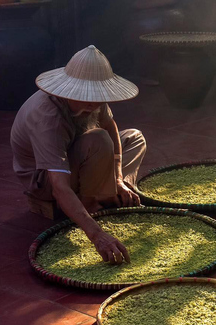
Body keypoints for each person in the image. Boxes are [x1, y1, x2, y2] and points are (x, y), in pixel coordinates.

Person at [11, 45, 146, 264]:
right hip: (43, 180)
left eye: (97, 96)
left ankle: (113, 190)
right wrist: (97, 235)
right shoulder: (48, 118)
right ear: (69, 91)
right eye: (87, 96)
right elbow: (59, 186)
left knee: (134, 138)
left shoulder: (95, 102)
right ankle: (91, 204)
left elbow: (110, 126)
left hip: (81, 155)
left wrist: (119, 178)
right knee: (99, 140)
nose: (94, 103)